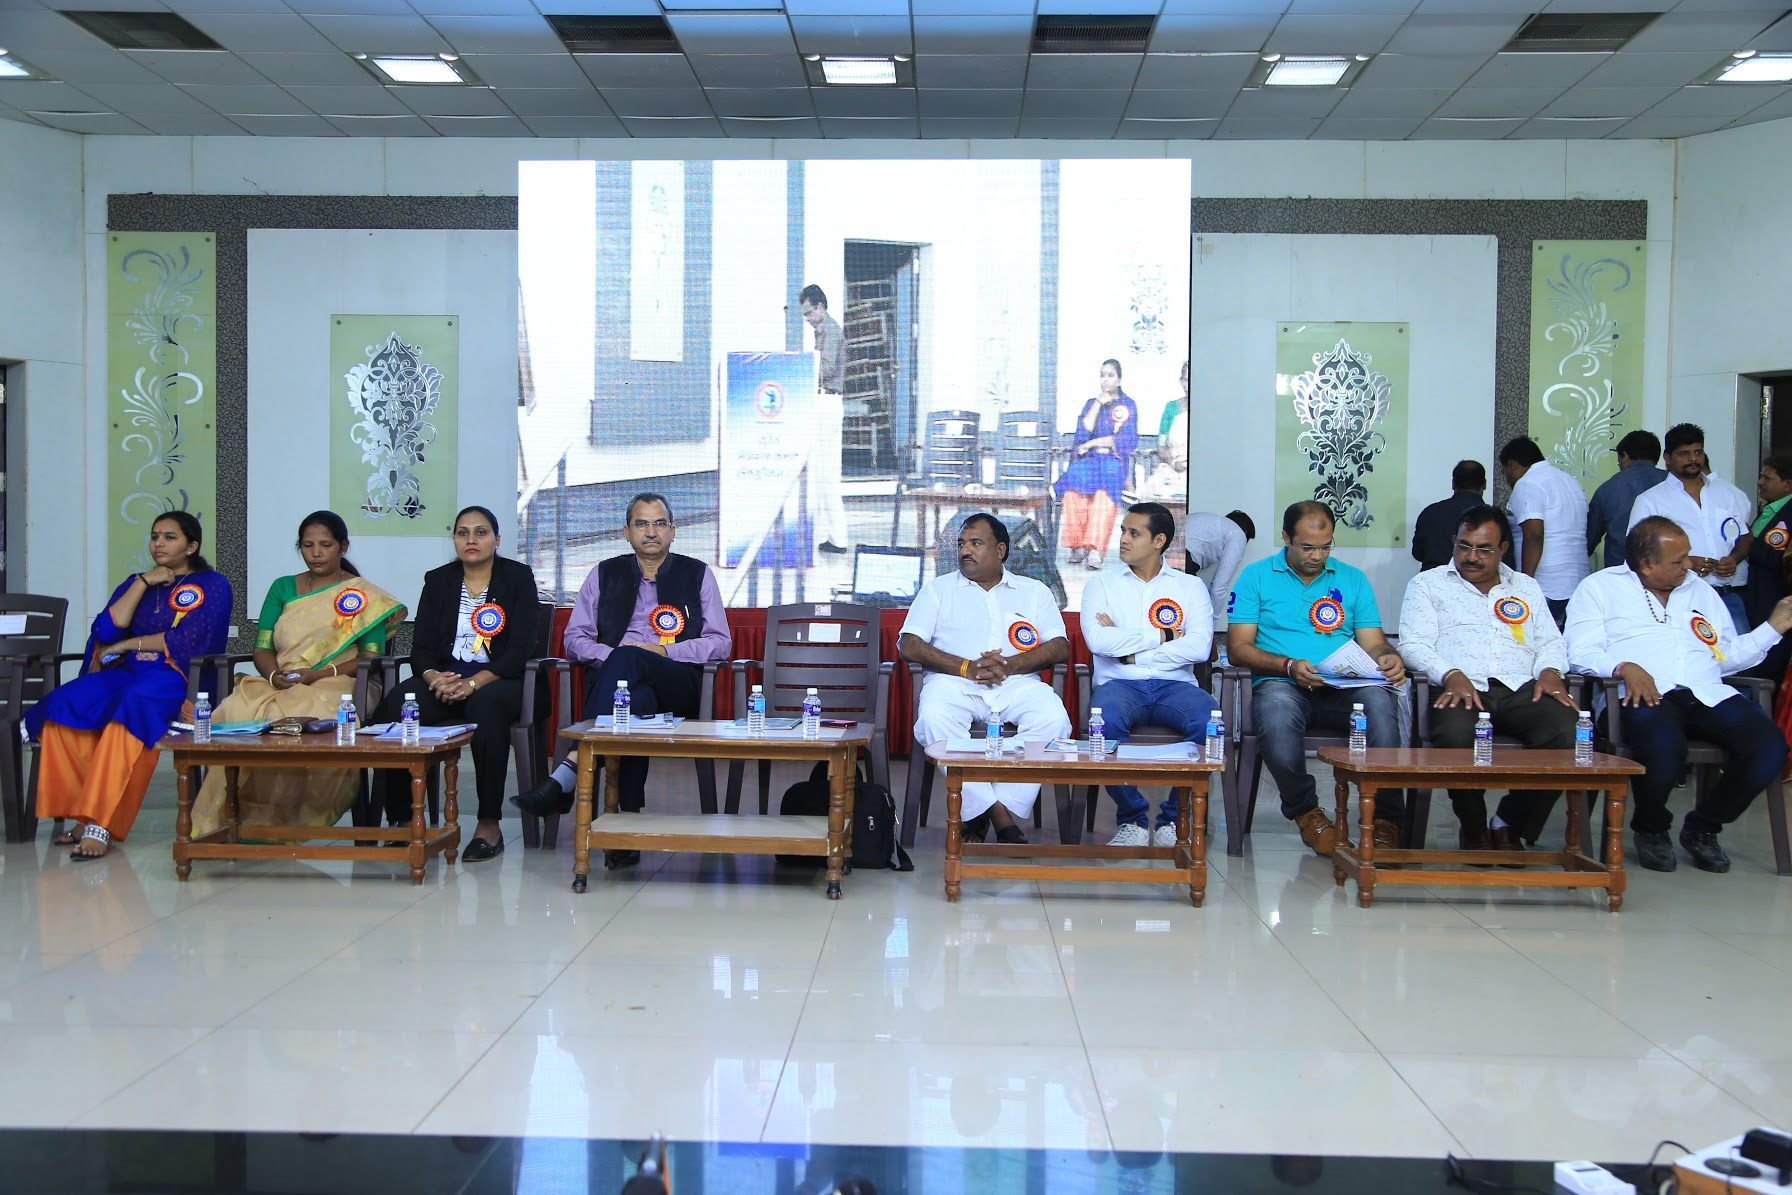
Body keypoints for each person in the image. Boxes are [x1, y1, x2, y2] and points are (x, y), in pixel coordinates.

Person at [511, 492, 731, 868]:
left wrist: (661, 653)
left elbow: (720, 642)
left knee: (632, 660)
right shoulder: (604, 573)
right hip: (619, 689)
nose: (651, 532)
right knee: (634, 700)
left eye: (659, 523)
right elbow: (575, 638)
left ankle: (570, 771)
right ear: (627, 532)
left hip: (678, 685)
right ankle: (625, 827)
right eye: (641, 524)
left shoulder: (697, 574)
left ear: (673, 531)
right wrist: (617, 660)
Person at [1565, 516, 1792, 873]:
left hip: (1706, 692)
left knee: (1770, 748)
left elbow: (1727, 656)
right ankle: (1651, 828)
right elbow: (1578, 651)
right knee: (1664, 745)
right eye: (1678, 560)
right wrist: (1623, 667)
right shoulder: (1600, 587)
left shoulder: (1700, 590)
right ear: (1646, 564)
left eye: (1687, 555)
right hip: (1637, 695)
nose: (1689, 564)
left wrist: (1773, 628)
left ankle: (1703, 827)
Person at [28, 511, 232, 859]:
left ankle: (101, 822)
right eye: (155, 536)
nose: (159, 543)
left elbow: (190, 639)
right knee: (66, 704)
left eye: (170, 537)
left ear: (191, 546)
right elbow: (107, 631)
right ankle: (80, 814)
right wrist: (142, 582)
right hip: (128, 672)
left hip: (175, 675)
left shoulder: (213, 584)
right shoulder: (137, 582)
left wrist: (127, 644)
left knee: (132, 708)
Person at [191, 511, 404, 838]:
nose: (316, 553)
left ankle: (286, 818)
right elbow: (262, 648)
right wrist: (274, 676)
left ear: (343, 547)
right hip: (282, 680)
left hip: (341, 681)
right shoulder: (282, 587)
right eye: (308, 545)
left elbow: (370, 658)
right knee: (237, 709)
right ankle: (235, 816)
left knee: (302, 712)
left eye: (325, 545)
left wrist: (318, 674)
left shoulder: (363, 595)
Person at [1226, 501, 1407, 857]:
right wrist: (1288, 665)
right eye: (1308, 547)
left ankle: (1384, 820)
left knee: (1379, 703)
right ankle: (1307, 812)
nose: (1317, 556)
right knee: (1276, 713)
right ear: (1286, 538)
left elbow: (1373, 642)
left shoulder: (1352, 579)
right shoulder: (1256, 576)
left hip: (1344, 687)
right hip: (1282, 683)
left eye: (1326, 547)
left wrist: (1387, 657)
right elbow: (1238, 648)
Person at [1398, 506, 1578, 855]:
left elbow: (1551, 641)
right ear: (1454, 541)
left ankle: (1510, 822)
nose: (1471, 557)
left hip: (1521, 688)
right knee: (1454, 734)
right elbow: (1412, 644)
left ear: (1503, 549)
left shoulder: (1525, 586)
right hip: (1458, 689)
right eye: (1464, 546)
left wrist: (1550, 671)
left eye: (1484, 549)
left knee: (1568, 731)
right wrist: (1450, 674)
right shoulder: (1428, 584)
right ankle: (1474, 826)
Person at [369, 505, 541, 862]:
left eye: (481, 532)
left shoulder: (517, 577)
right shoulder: (438, 580)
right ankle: (403, 819)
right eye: (463, 533)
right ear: (455, 540)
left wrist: (474, 683)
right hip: (447, 676)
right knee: (398, 704)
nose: (471, 540)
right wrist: (433, 676)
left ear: (497, 540)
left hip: (501, 678)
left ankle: (488, 824)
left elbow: (522, 648)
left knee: (486, 707)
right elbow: (421, 649)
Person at [899, 513, 1071, 844]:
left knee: (1054, 721)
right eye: (962, 544)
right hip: (954, 684)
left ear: (1000, 550)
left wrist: (1010, 665)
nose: (965, 551)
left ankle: (983, 809)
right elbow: (910, 644)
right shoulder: (937, 590)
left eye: (976, 543)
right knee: (934, 720)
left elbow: (1059, 646)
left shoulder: (1034, 591)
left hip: (1017, 683)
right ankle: (1000, 817)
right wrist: (967, 667)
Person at [1081, 502, 1219, 847]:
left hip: (1176, 685)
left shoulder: (1190, 587)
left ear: (1159, 541)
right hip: (1119, 684)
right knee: (1103, 722)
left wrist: (1129, 651)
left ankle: (1173, 818)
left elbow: (1199, 648)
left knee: (1209, 721)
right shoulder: (1101, 584)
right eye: (1123, 531)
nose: (1123, 539)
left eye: (1134, 533)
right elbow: (1098, 641)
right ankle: (1133, 819)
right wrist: (1165, 635)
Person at [1627, 423, 1755, 630]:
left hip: (1728, 597)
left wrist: (1734, 558)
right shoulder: (1651, 500)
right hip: (1679, 598)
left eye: (1698, 452)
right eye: (1683, 454)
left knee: (1740, 650)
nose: (1692, 459)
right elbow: (1637, 552)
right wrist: (1685, 562)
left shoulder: (1726, 493)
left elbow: (1744, 535)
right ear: (1668, 458)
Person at [1053, 358, 1139, 571]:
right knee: (1073, 488)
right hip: (1090, 461)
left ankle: (1095, 550)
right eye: (1102, 375)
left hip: (1112, 461)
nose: (1105, 380)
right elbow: (1083, 433)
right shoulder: (1091, 403)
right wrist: (1098, 404)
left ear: (1119, 380)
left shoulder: (1128, 405)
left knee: (1104, 493)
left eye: (1110, 375)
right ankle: (1076, 546)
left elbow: (1125, 440)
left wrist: (1092, 443)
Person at [1500, 436, 1590, 628]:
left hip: (1546, 586)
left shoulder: (1526, 484)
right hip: (1577, 583)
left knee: (1537, 641)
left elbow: (1534, 535)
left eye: (1505, 472)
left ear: (1512, 464)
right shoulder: (1570, 481)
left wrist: (1525, 584)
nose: (1507, 479)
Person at [799, 283, 849, 555]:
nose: (807, 319)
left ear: (820, 307)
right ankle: (835, 536)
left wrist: (801, 370)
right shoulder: (824, 330)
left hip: (826, 401)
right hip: (827, 401)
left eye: (809, 313)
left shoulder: (829, 331)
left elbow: (825, 370)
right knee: (825, 473)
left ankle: (835, 536)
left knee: (824, 472)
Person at [1586, 430, 1666, 570]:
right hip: (1667, 571)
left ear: (1625, 456)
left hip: (1621, 572)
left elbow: (1589, 539)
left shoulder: (1607, 489)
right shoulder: (1675, 484)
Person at [1410, 460, 1500, 572]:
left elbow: (1418, 553)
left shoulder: (1430, 512)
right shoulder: (1496, 520)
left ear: (1453, 484)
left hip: (1434, 580)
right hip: (1478, 582)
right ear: (1485, 484)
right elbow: (1506, 561)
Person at [1183, 510, 1255, 630]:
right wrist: (1211, 624)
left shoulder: (1212, 522)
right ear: (1245, 533)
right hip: (1182, 560)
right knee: (1187, 618)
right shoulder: (1237, 534)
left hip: (1158, 551)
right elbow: (1219, 586)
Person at [1141, 360, 1188, 500]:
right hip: (1173, 467)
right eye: (1187, 380)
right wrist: (1174, 463)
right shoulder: (1171, 408)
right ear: (1181, 381)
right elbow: (1161, 446)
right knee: (1149, 494)